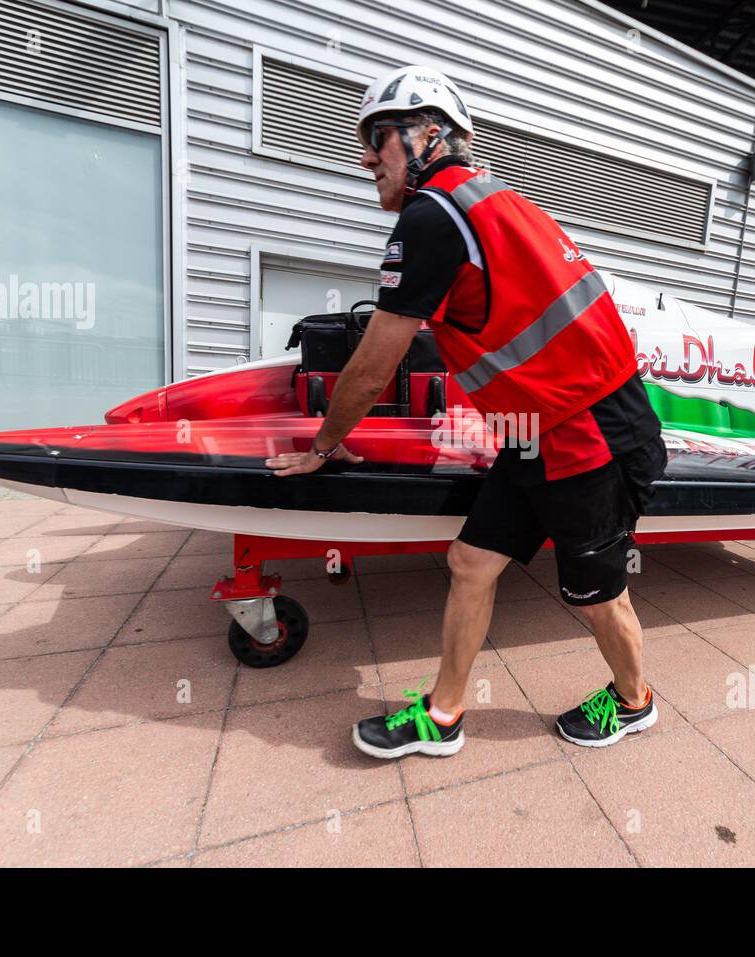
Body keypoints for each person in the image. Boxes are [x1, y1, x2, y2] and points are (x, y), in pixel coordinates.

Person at [265, 66, 668, 758]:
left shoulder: (435, 214)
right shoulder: (491, 201)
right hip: (541, 433)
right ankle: (444, 715)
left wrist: (326, 443)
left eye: (379, 139)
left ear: (431, 136)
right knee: (471, 562)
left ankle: (636, 701)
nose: (367, 158)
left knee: (596, 594)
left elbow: (376, 359)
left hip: (589, 434)